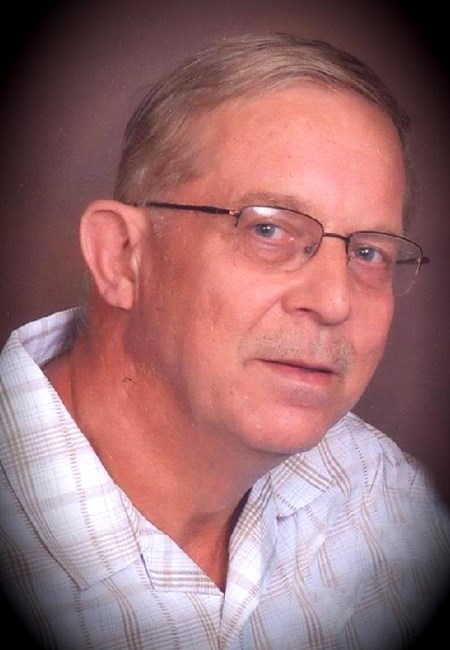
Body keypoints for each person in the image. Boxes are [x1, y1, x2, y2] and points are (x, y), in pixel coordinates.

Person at [0, 32, 449, 650]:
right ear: (122, 256)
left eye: (369, 252)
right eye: (268, 229)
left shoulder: (379, 497)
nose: (335, 301)